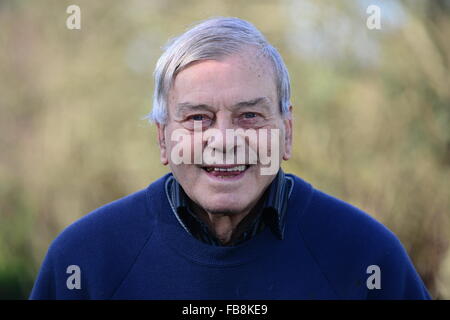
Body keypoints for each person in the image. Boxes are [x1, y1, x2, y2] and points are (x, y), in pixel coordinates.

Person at [30, 17, 431, 299]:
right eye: (198, 118)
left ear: (286, 132)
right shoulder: (84, 260)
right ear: (163, 139)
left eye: (250, 116)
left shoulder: (366, 257)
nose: (224, 140)